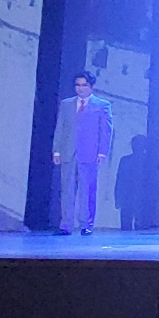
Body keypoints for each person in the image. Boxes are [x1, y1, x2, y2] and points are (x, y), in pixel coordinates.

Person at [52, 71, 113, 236]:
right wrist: (57, 150)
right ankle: (66, 225)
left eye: (84, 85)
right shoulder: (66, 104)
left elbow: (106, 130)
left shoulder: (102, 105)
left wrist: (102, 152)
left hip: (89, 152)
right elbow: (60, 127)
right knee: (67, 190)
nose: (80, 88)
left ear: (91, 86)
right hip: (68, 151)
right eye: (77, 85)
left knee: (87, 190)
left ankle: (86, 224)